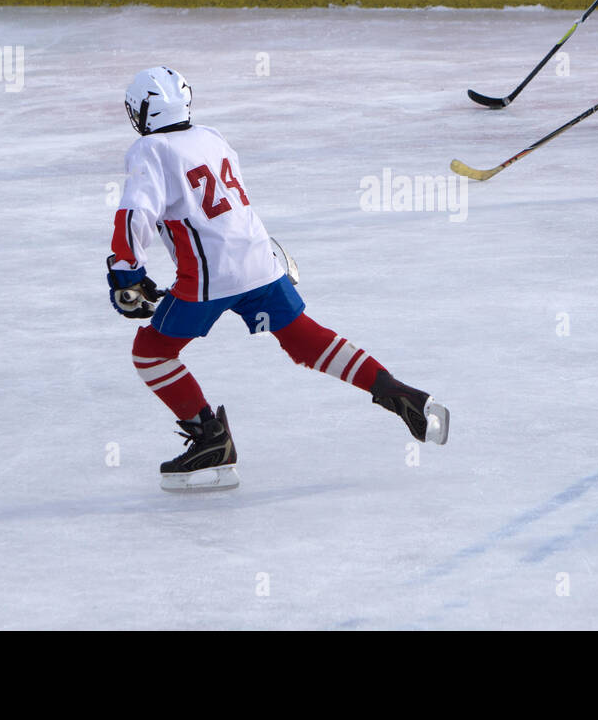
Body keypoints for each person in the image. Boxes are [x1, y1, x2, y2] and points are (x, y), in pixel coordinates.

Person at [107, 67, 448, 491]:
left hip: (211, 276)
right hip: (260, 258)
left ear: (143, 112)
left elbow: (135, 211)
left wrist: (126, 271)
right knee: (303, 339)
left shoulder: (150, 149)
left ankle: (211, 441)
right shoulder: (212, 137)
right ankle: (396, 392)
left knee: (152, 353)